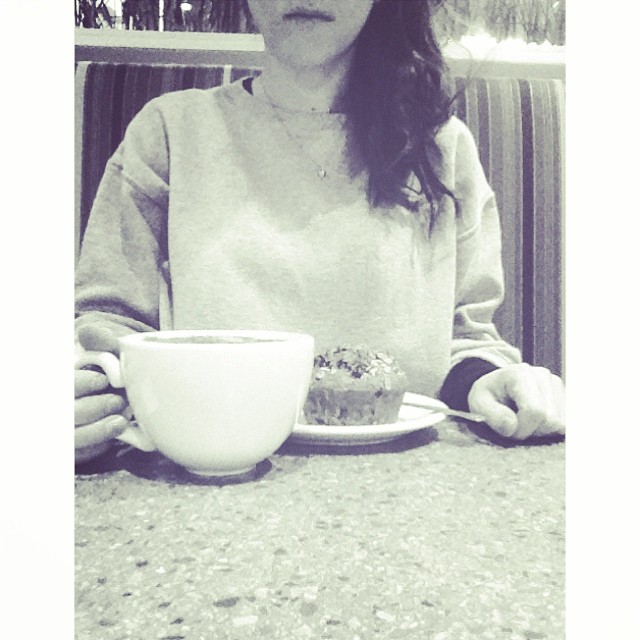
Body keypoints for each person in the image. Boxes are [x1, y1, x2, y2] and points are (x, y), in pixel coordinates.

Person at [75, 0, 565, 464]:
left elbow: (465, 337)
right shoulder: (170, 131)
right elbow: (109, 326)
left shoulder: (442, 149)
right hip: (211, 477)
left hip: (411, 483)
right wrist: (84, 397)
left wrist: (491, 381)